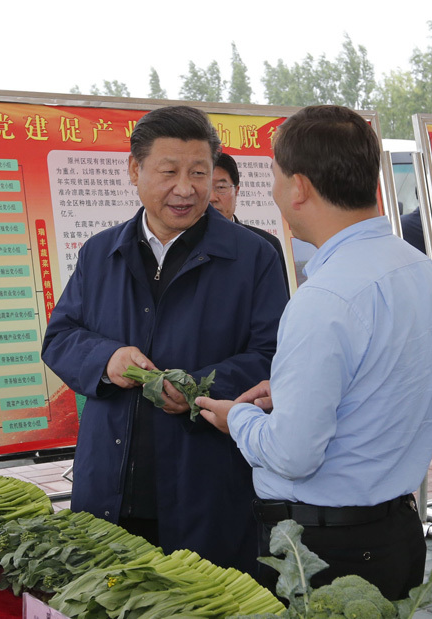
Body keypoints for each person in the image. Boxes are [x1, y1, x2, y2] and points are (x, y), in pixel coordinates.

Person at [196, 105, 432, 600]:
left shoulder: (326, 296)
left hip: (327, 556)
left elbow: (293, 453)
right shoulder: (418, 268)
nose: (272, 193)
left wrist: (239, 420)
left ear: (300, 187)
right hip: (393, 533)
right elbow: (380, 383)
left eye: (273, 176)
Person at [41, 105, 288, 574]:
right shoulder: (101, 252)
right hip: (110, 483)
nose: (186, 188)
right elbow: (60, 337)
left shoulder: (252, 256)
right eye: (169, 171)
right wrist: (107, 358)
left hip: (206, 483)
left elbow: (274, 355)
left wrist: (197, 388)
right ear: (134, 170)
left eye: (199, 172)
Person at [211, 153, 289, 289]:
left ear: (236, 191)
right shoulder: (180, 244)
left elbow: (278, 306)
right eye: (206, 188)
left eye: (221, 188)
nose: (212, 197)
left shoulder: (266, 246)